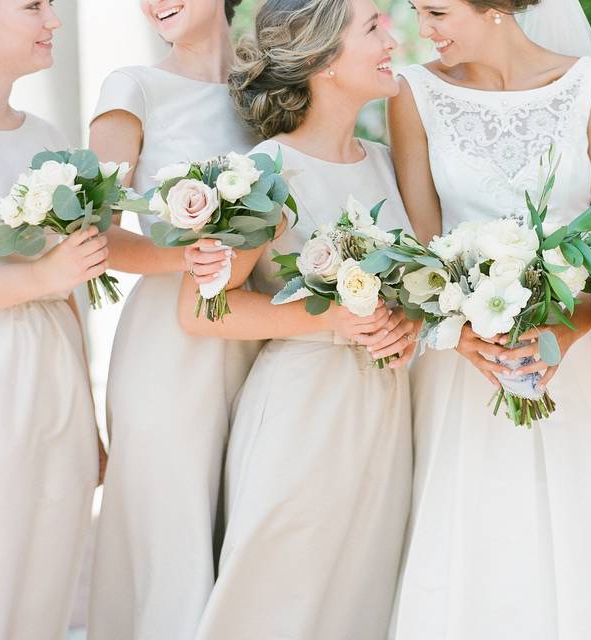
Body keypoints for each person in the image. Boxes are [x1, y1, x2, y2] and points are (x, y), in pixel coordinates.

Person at [388, 0, 591, 637]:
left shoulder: (587, 87)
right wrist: (469, 342)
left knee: (584, 523)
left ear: (494, 9)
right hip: (465, 364)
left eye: (435, 12)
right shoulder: (414, 93)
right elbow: (419, 251)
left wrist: (560, 337)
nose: (423, 30)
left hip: (578, 350)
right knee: (478, 527)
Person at [185, 0, 415, 637]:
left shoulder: (384, 162)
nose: (393, 37)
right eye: (374, 27)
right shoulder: (266, 172)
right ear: (324, 61)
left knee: (357, 603)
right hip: (303, 412)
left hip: (385, 412)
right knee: (275, 600)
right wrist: (332, 320)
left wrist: (406, 324)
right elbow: (204, 309)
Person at [86, 1, 264, 638]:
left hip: (261, 336)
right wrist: (182, 254)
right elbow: (96, 241)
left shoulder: (272, 84)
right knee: (174, 535)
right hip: (168, 347)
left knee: (244, 533)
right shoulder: (131, 88)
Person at [0, 1, 99, 637]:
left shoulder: (47, 136)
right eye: (32, 6)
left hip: (56, 382)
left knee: (50, 565)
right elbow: (53, 275)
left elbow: (71, 290)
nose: (53, 20)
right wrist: (43, 277)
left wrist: (90, 417)